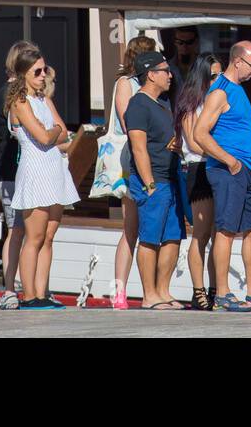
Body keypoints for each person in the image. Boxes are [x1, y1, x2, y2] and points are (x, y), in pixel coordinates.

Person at [6, 43, 79, 309]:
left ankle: (41, 291)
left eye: (45, 70)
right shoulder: (20, 101)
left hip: (55, 168)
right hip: (35, 169)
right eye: (37, 71)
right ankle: (28, 295)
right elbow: (44, 135)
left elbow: (65, 137)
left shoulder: (44, 100)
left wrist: (55, 132)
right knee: (34, 237)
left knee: (49, 236)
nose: (43, 76)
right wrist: (54, 132)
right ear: (24, 72)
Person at [193, 40, 251, 313]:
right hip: (228, 170)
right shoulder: (219, 92)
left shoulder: (238, 91)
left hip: (244, 169)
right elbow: (200, 133)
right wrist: (229, 160)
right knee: (225, 229)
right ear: (238, 62)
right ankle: (222, 292)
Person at [122, 51, 184, 309]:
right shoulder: (138, 104)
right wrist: (148, 184)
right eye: (165, 70)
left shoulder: (164, 104)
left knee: (173, 236)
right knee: (150, 237)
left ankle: (163, 291)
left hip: (170, 178)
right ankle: (149, 295)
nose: (170, 75)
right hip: (153, 180)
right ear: (150, 74)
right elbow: (138, 148)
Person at [109, 34, 157, 309]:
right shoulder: (126, 83)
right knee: (130, 227)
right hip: (131, 160)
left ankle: (148, 288)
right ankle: (120, 290)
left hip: (149, 157)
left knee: (142, 226)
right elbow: (130, 124)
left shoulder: (147, 85)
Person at [173, 52, 222, 310]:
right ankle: (198, 290)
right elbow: (193, 142)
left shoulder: (217, 102)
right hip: (199, 168)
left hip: (216, 167)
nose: (218, 80)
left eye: (221, 75)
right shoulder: (192, 105)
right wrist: (222, 151)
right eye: (214, 75)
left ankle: (215, 289)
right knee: (201, 234)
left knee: (218, 234)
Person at [0, 45, 29, 310]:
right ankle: (11, 284)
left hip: (21, 170)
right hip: (11, 170)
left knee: (25, 230)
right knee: (16, 229)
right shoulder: (9, 94)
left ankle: (24, 282)